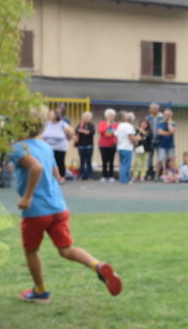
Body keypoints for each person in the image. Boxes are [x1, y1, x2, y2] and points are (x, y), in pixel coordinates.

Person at [10, 105, 122, 303]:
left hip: (37, 210)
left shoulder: (19, 148)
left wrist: (27, 196)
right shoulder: (45, 146)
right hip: (58, 207)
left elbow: (36, 167)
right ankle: (97, 265)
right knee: (66, 249)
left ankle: (40, 291)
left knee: (31, 251)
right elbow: (55, 174)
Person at [42, 108, 73, 178]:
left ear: (56, 115)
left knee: (60, 162)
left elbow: (71, 133)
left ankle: (61, 177)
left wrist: (68, 137)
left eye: (51, 114)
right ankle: (51, 177)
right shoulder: (47, 124)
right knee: (49, 162)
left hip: (60, 148)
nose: (50, 115)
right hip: (48, 147)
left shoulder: (63, 124)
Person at [115, 112, 137, 185]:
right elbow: (131, 136)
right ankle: (124, 180)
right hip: (127, 147)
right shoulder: (129, 126)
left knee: (122, 164)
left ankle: (122, 178)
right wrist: (135, 141)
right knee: (126, 164)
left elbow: (116, 135)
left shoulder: (120, 125)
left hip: (120, 147)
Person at [154, 107, 176, 179]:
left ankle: (171, 174)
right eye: (165, 115)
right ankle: (156, 175)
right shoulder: (160, 122)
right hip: (161, 145)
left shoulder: (173, 123)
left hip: (170, 145)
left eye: (168, 115)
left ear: (171, 116)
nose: (167, 116)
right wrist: (169, 133)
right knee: (160, 159)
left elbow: (172, 131)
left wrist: (169, 123)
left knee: (170, 159)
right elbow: (160, 132)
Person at [98, 108, 118, 182]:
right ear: (106, 116)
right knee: (104, 161)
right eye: (110, 115)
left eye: (112, 116)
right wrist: (108, 126)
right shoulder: (102, 122)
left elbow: (115, 132)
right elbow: (101, 131)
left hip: (112, 145)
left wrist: (109, 131)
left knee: (111, 161)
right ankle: (104, 175)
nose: (111, 117)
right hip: (103, 145)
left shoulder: (115, 124)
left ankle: (111, 176)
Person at [75, 111, 96, 181]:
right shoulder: (80, 125)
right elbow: (76, 132)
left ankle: (90, 176)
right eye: (86, 117)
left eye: (89, 117)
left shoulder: (91, 125)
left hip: (89, 145)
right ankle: (81, 175)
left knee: (89, 161)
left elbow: (89, 132)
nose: (87, 118)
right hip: (81, 145)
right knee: (82, 161)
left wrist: (81, 131)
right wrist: (82, 131)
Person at [143, 103, 162, 180]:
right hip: (150, 140)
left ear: (156, 109)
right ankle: (150, 173)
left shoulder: (162, 117)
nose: (149, 110)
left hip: (160, 140)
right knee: (149, 158)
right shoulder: (148, 118)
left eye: (151, 108)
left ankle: (159, 173)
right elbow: (144, 127)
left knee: (160, 157)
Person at [132, 117, 152, 183]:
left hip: (146, 149)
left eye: (145, 123)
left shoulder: (149, 131)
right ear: (140, 124)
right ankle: (135, 175)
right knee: (136, 162)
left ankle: (142, 176)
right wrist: (137, 140)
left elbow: (150, 137)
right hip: (138, 148)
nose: (143, 125)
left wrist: (143, 132)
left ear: (147, 125)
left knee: (144, 163)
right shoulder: (136, 130)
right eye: (142, 123)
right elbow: (133, 138)